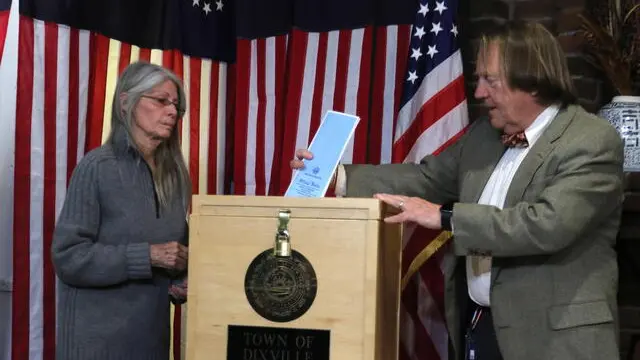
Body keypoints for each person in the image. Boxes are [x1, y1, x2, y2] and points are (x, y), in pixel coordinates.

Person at [291, 21, 624, 360]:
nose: (479, 92)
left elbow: (546, 225)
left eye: (490, 80)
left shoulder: (591, 140)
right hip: (482, 329)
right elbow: (427, 179)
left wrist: (445, 217)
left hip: (556, 340)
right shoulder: (484, 135)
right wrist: (340, 177)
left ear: (533, 83)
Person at [52, 61, 191, 360]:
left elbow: (178, 253)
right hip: (96, 347)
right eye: (161, 100)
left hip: (150, 344)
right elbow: (68, 257)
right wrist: (148, 255)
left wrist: (181, 278)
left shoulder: (176, 177)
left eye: (176, 106)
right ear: (126, 101)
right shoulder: (97, 167)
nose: (171, 112)